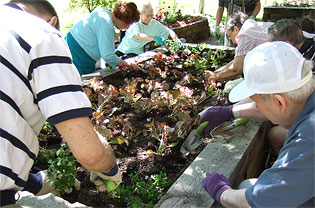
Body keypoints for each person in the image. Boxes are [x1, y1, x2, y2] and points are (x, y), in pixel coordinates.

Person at [0, 4, 122, 206]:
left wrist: (37, 183)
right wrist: (109, 167)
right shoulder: (41, 34)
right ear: (53, 22)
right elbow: (90, 155)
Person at [203, 41, 314, 207]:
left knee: (245, 188)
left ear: (279, 102)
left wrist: (221, 191)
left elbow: (256, 202)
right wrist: (230, 112)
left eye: (256, 100)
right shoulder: (305, 95)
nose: (256, 105)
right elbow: (273, 109)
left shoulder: (308, 140)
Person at [199, 18, 315, 155]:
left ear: (287, 45)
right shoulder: (298, 57)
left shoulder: (307, 137)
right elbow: (268, 98)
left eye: (274, 46)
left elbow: (270, 101)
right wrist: (229, 110)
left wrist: (230, 111)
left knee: (276, 135)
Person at [65, 1, 140, 75]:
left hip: (73, 45)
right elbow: (108, 56)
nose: (127, 27)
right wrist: (127, 65)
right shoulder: (106, 24)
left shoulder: (104, 13)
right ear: (122, 18)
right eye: (127, 23)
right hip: (78, 54)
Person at [205, 12, 273, 82]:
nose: (232, 40)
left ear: (236, 29)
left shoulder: (245, 34)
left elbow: (236, 69)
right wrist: (215, 73)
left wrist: (215, 77)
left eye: (230, 35)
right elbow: (237, 61)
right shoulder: (250, 25)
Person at [116, 1, 180, 57]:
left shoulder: (154, 23)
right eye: (147, 15)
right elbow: (137, 36)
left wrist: (176, 40)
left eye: (151, 15)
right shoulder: (135, 22)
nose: (150, 18)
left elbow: (169, 31)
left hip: (135, 54)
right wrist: (154, 38)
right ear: (140, 14)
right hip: (123, 50)